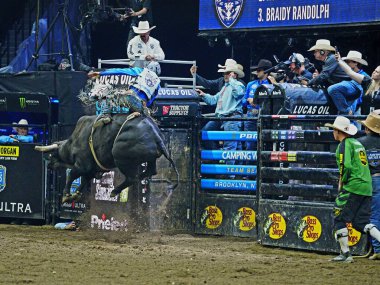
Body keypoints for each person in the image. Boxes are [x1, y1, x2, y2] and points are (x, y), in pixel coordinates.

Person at [325, 116, 380, 262]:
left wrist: (342, 182)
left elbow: (346, 166)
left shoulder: (344, 145)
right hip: (366, 186)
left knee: (339, 216)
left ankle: (345, 253)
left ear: (337, 131)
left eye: (334, 130)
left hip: (353, 186)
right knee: (360, 222)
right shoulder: (357, 143)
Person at [197, 61, 245, 165]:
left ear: (234, 74)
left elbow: (239, 94)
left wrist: (232, 80)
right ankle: (218, 157)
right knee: (206, 132)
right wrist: (203, 95)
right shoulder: (225, 87)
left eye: (227, 73)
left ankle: (230, 175)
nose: (225, 75)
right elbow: (214, 100)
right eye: (225, 73)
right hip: (222, 118)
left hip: (232, 118)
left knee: (231, 146)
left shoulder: (238, 85)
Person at [357, 110, 380, 260]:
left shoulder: (361, 143)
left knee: (374, 215)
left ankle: (377, 249)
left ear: (367, 128)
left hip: (371, 180)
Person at [243, 59, 272, 151]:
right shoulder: (250, 84)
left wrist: (256, 102)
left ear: (266, 71)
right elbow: (243, 101)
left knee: (264, 143)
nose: (257, 72)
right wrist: (248, 101)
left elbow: (272, 103)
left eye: (259, 70)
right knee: (249, 144)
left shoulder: (271, 85)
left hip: (264, 117)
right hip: (250, 116)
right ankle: (249, 164)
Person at [327, 51, 369, 115]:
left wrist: (348, 110)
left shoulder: (364, 77)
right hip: (352, 109)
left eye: (348, 61)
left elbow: (360, 96)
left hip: (355, 109)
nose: (346, 63)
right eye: (345, 61)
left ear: (356, 63)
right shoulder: (347, 76)